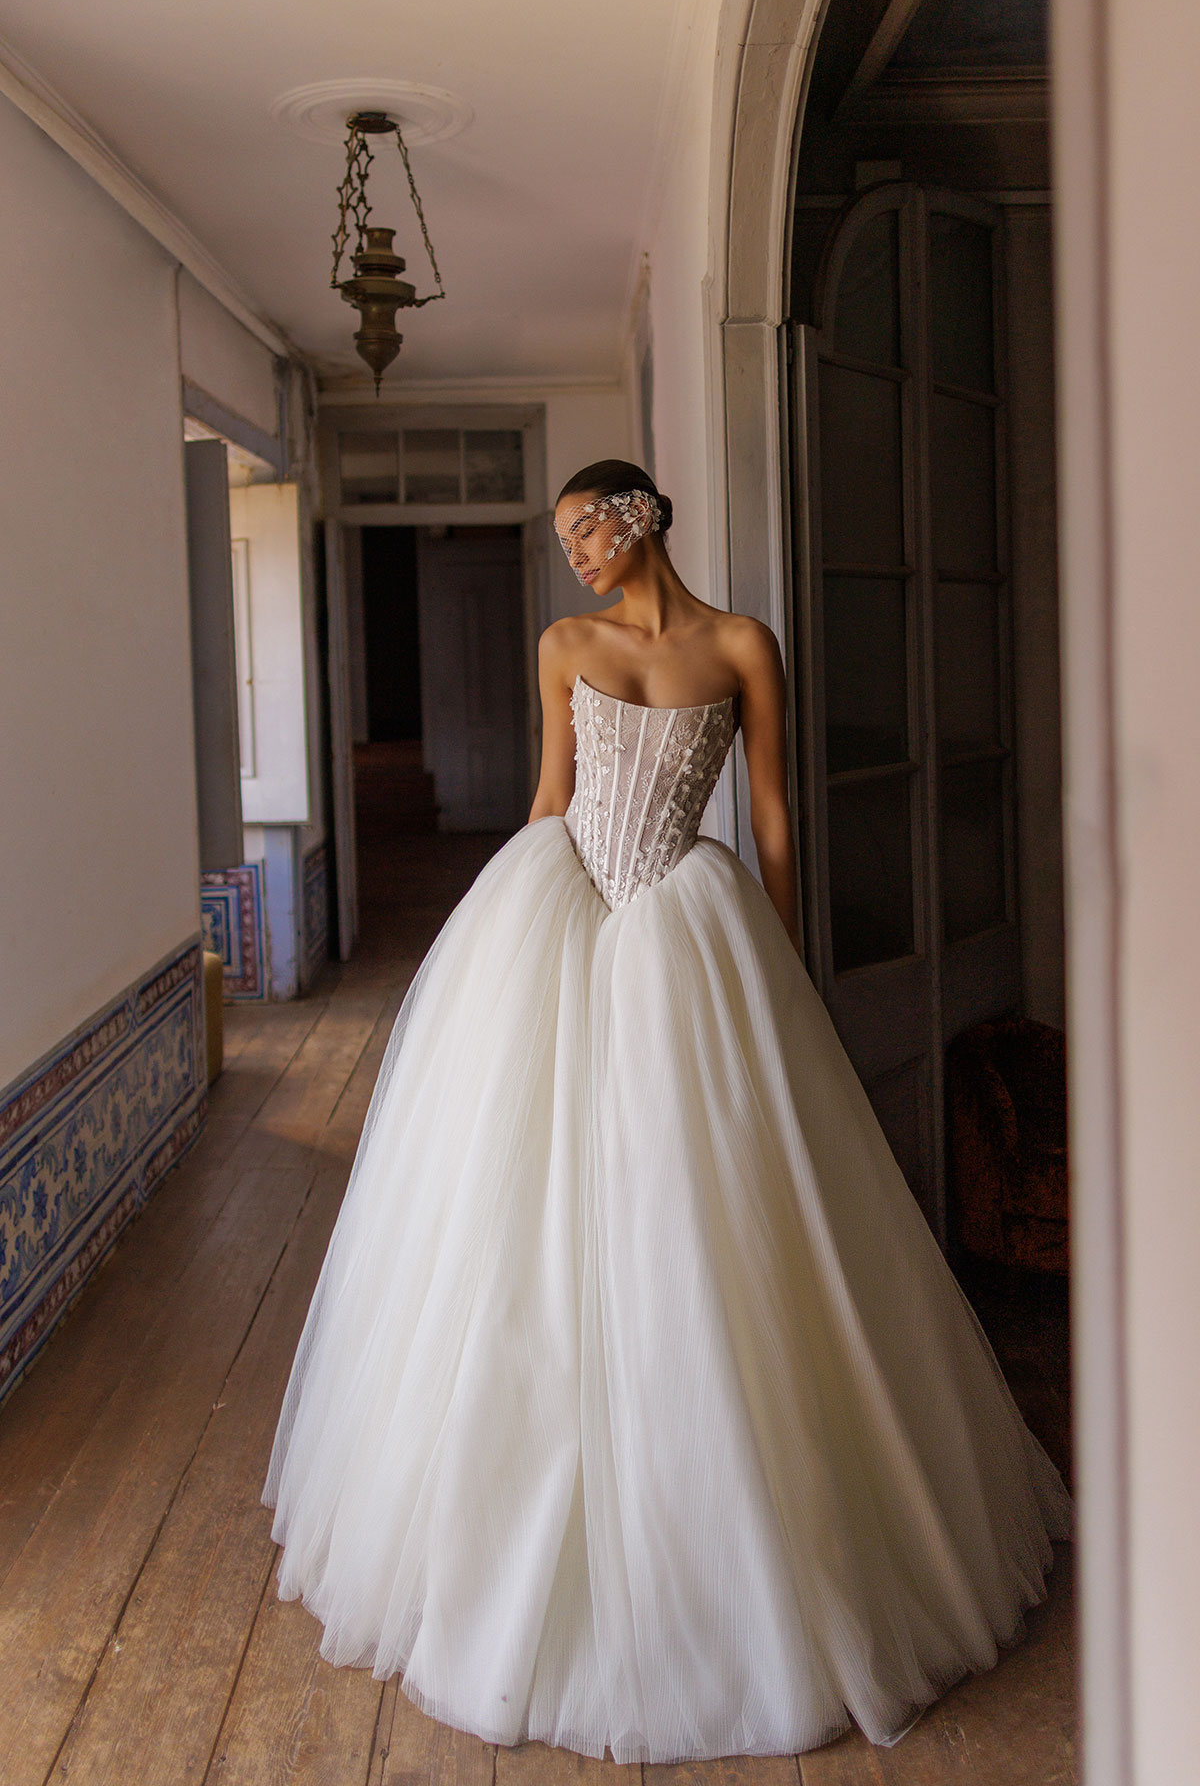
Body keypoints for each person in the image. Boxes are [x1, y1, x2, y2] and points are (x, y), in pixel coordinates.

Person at [261, 458, 1072, 1765]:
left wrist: (790, 966)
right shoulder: (562, 644)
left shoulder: (743, 644)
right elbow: (551, 793)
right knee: (521, 1206)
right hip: (566, 909)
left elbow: (770, 811)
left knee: (709, 1213)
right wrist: (494, 937)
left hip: (693, 931)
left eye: (592, 526)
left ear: (645, 522)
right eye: (567, 532)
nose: (576, 549)